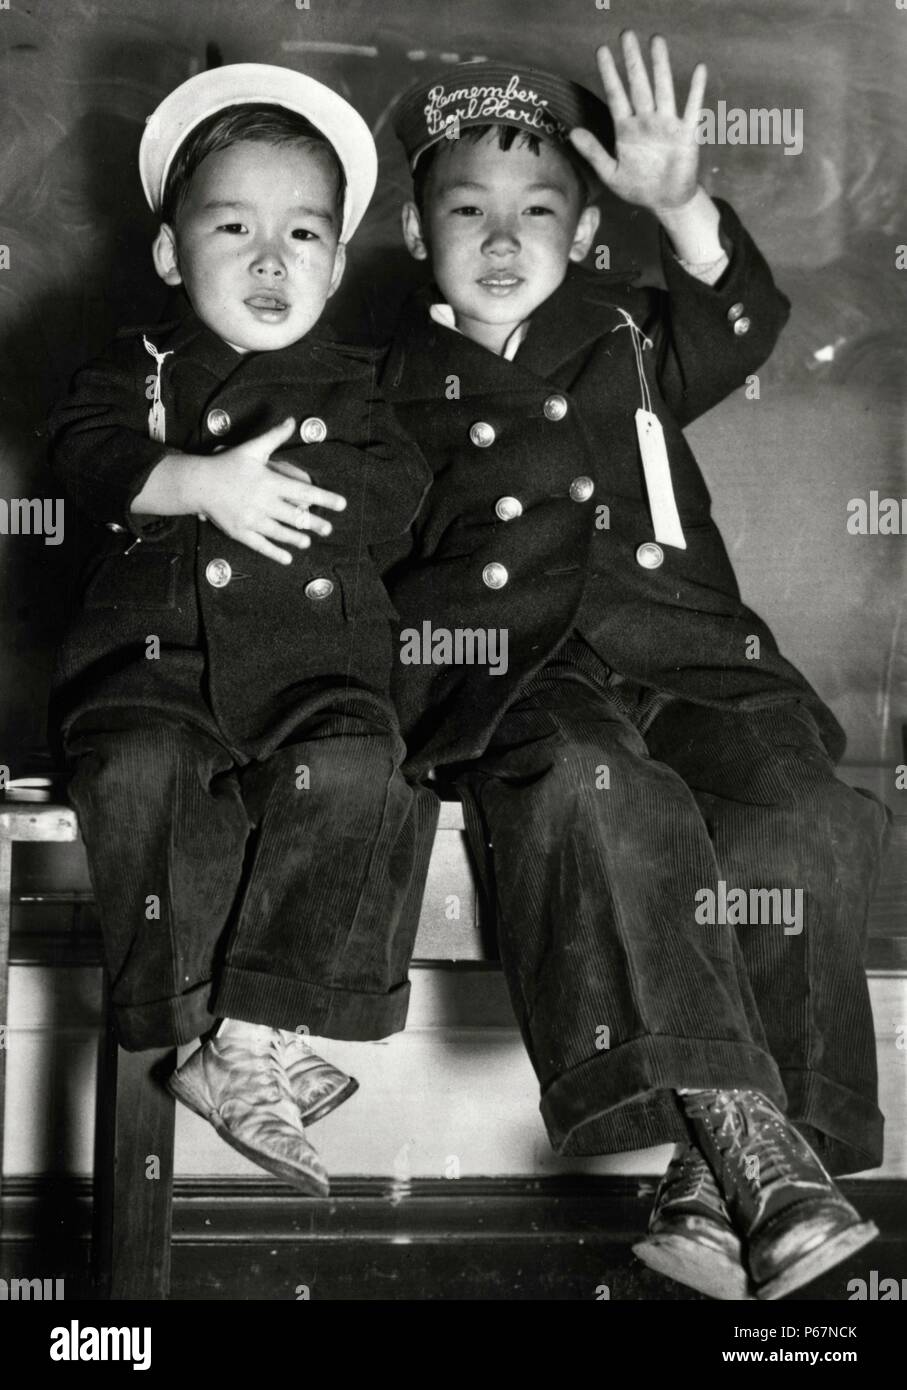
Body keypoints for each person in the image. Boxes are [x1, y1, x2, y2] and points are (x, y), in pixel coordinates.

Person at [381, 33, 890, 1298]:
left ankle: (736, 1173)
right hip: (519, 671)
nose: (505, 238)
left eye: (539, 210)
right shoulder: (380, 389)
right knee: (592, 785)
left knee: (805, 806)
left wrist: (684, 208)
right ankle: (747, 1137)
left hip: (693, 657)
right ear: (409, 229)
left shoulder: (627, 335)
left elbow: (739, 320)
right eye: (468, 210)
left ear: (586, 228)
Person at [48, 63, 435, 1197]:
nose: (273, 259)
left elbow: (400, 490)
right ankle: (199, 1031)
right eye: (235, 227)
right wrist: (196, 483)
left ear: (336, 260)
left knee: (363, 775)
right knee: (139, 768)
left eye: (304, 232)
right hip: (153, 664)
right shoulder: (141, 365)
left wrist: (305, 486)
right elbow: (83, 446)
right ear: (172, 255)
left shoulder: (364, 387)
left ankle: (252, 1033)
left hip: (316, 670)